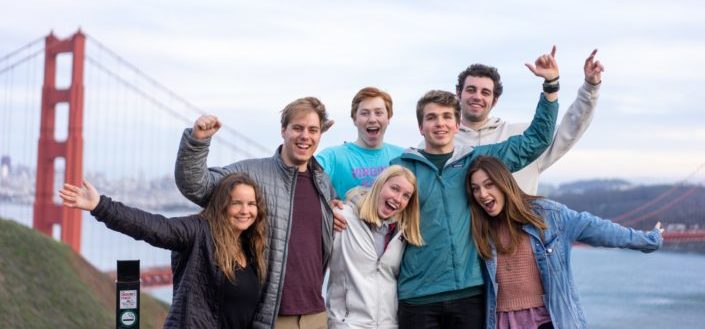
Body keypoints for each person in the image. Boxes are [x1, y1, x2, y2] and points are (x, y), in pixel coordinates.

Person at [391, 49, 560, 329]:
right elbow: (372, 205)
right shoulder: (402, 168)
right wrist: (342, 206)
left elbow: (535, 141)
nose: (440, 123)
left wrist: (550, 86)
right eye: (431, 118)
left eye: (447, 117)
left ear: (457, 125)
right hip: (417, 296)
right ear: (421, 127)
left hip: (470, 293)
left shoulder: (474, 161)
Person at [174, 97, 335, 329]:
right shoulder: (252, 174)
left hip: (317, 316)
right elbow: (196, 186)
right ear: (283, 131)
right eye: (297, 128)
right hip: (273, 319)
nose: (305, 136)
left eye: (313, 130)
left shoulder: (323, 183)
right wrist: (197, 142)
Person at [466, 156, 663, 329]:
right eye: (476, 189)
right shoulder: (478, 228)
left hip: (548, 320)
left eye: (489, 184)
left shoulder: (550, 216)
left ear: (504, 183)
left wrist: (649, 240)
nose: (482, 194)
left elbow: (602, 230)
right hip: (501, 322)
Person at [59, 172, 268, 329]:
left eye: (251, 204)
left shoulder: (250, 246)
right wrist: (100, 206)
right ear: (222, 205)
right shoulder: (198, 232)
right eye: (236, 203)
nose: (245, 210)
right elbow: (151, 227)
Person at [455, 46, 604, 194]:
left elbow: (571, 128)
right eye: (471, 90)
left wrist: (590, 87)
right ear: (458, 93)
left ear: (494, 101)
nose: (477, 96)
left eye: (485, 92)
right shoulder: (443, 143)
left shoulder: (526, 138)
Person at [327, 165, 423, 329]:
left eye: (406, 196)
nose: (398, 198)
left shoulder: (402, 233)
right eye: (394, 188)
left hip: (389, 324)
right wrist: (323, 211)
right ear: (380, 184)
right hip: (347, 324)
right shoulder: (342, 217)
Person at [316, 87, 405, 198]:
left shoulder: (404, 158)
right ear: (354, 119)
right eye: (364, 113)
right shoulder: (332, 156)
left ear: (388, 118)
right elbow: (300, 176)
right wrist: (313, 135)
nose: (372, 119)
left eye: (378, 113)